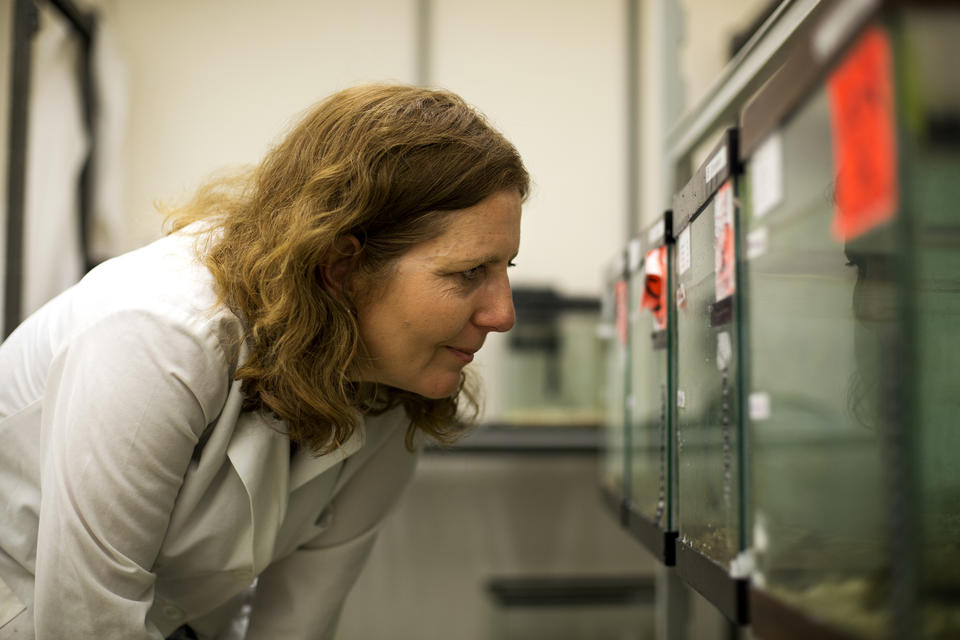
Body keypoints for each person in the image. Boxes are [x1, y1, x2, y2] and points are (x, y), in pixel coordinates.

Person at [0, 83, 529, 639]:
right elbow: (87, 624)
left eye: (505, 269)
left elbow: (300, 619)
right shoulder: (161, 333)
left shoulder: (397, 381)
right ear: (342, 264)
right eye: (469, 273)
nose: (503, 314)